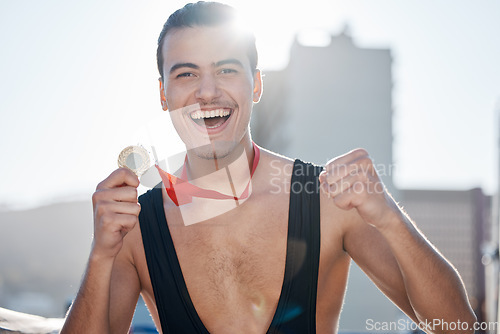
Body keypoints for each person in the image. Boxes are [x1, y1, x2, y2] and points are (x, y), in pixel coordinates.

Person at [61, 2, 476, 333]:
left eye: (226, 69)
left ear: (256, 84)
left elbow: (457, 327)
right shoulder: (135, 227)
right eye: (187, 74)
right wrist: (100, 255)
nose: (207, 91)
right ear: (163, 94)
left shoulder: (323, 197)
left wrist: (390, 219)